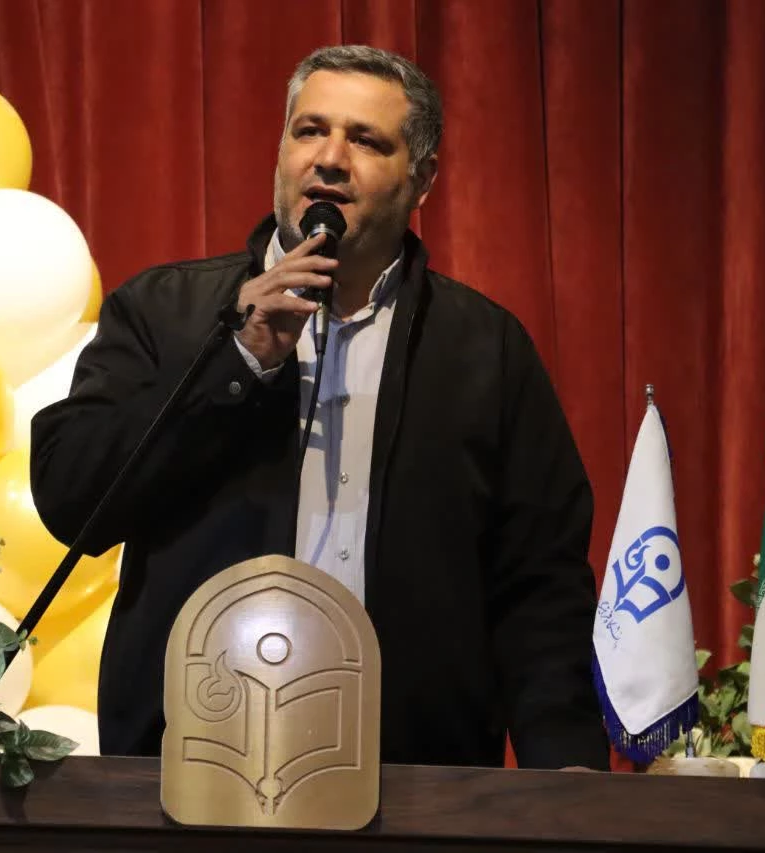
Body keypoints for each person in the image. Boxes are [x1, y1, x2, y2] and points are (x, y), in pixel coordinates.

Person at [30, 45, 610, 772]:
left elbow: (540, 577)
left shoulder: (483, 348)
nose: (330, 159)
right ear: (282, 151)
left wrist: (565, 764)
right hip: (193, 767)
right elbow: (73, 496)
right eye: (310, 131)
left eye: (366, 141)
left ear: (423, 179)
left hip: (415, 775)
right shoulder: (165, 311)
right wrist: (238, 361)